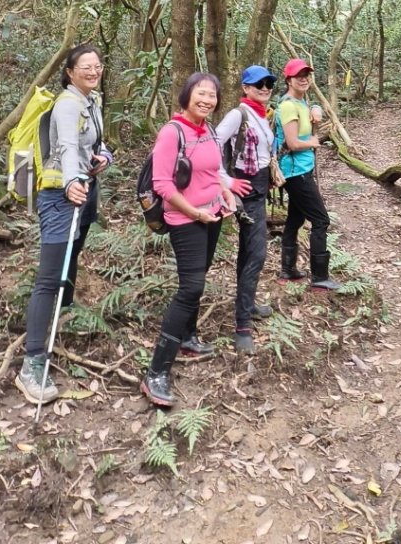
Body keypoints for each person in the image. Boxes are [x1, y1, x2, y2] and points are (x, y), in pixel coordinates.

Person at [141, 73, 249, 407]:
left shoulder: (209, 132)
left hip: (212, 214)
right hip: (185, 219)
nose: (207, 100)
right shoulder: (172, 132)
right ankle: (156, 371)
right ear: (187, 95)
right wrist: (194, 212)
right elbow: (162, 185)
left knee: (198, 275)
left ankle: (187, 337)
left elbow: (213, 173)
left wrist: (226, 194)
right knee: (191, 288)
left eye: (212, 95)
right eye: (201, 94)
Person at [16, 43, 114, 404]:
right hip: (60, 196)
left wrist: (104, 157)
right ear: (70, 72)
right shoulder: (68, 103)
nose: (93, 70)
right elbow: (69, 147)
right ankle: (33, 364)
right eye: (85, 67)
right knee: (48, 277)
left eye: (97, 65)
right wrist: (73, 181)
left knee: (73, 255)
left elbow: (93, 146)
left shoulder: (93, 102)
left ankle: (65, 310)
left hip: (83, 190)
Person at [216, 65, 277, 356]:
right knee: (257, 252)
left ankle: (248, 303)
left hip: (261, 186)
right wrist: (226, 180)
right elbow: (213, 143)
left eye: (269, 83)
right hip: (245, 189)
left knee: (247, 250)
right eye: (258, 84)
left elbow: (265, 152)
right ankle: (241, 326)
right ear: (245, 87)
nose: (265, 88)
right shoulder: (237, 114)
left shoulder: (264, 115)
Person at [274, 58, 341, 291]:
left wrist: (316, 110)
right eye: (298, 75)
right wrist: (313, 140)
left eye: (306, 75)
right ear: (288, 79)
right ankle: (320, 276)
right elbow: (292, 143)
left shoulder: (300, 102)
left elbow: (308, 116)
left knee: (295, 219)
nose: (303, 79)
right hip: (295, 172)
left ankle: (288, 270)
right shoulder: (288, 105)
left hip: (301, 170)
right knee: (321, 220)